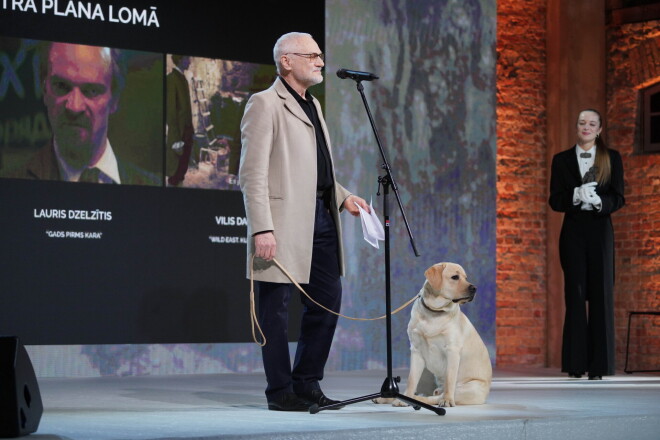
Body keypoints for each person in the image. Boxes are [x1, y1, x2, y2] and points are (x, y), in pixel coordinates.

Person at [239, 32, 369, 411]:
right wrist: (262, 227)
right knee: (274, 309)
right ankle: (280, 391)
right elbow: (252, 173)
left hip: (321, 217)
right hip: (280, 222)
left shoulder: (313, 104)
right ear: (286, 62)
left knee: (327, 301)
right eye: (311, 55)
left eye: (320, 55)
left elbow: (313, 168)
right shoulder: (264, 104)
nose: (320, 61)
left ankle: (307, 382)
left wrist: (343, 196)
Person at [10, 42, 158, 185]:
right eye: (61, 86)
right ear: (45, 91)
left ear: (115, 100)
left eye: (91, 91)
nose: (74, 107)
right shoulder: (10, 184)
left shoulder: (155, 190)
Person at [549, 108, 625, 380]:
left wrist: (600, 203)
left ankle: (599, 366)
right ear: (576, 126)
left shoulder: (611, 158)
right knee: (575, 295)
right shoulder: (561, 160)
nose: (586, 127)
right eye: (582, 122)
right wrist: (574, 195)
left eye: (592, 123)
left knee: (602, 295)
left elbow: (619, 197)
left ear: (600, 129)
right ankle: (575, 363)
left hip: (600, 231)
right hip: (573, 232)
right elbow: (554, 201)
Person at [166, 55, 194, 186]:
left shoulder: (182, 78)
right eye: (188, 59)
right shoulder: (171, 79)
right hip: (179, 134)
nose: (190, 61)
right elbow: (171, 111)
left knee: (182, 170)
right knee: (175, 173)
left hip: (187, 132)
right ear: (181, 60)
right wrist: (177, 140)